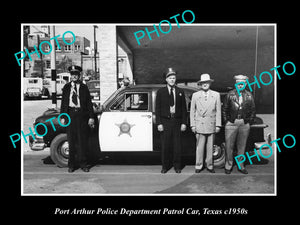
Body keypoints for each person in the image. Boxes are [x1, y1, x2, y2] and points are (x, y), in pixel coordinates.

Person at [60, 65, 95, 173]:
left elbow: (89, 103)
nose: (74, 76)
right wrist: (63, 116)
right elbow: (63, 103)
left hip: (81, 116)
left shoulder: (84, 87)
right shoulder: (66, 87)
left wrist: (91, 117)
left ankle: (83, 164)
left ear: (79, 75)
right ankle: (71, 165)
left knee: (82, 141)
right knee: (71, 141)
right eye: (72, 74)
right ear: (70, 75)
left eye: (76, 74)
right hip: (70, 115)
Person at [155, 68, 188, 174]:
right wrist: (159, 123)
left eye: (174, 78)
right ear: (166, 79)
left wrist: (184, 122)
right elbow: (157, 109)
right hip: (165, 121)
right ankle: (165, 166)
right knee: (165, 145)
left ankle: (177, 166)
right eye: (170, 78)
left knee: (177, 146)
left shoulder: (180, 92)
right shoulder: (161, 92)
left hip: (177, 121)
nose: (172, 80)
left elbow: (184, 108)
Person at [222, 75, 256, 174]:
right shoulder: (230, 94)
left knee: (242, 146)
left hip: (244, 123)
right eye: (238, 84)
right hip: (231, 123)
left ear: (245, 84)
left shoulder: (249, 95)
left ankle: (241, 166)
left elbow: (253, 110)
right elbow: (224, 109)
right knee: (229, 145)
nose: (240, 85)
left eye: (242, 84)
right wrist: (227, 121)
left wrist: (249, 122)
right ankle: (228, 165)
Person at [190, 74, 221, 173]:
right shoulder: (195, 95)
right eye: (203, 83)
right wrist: (193, 125)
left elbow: (218, 111)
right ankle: (198, 165)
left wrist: (218, 125)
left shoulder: (216, 95)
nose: (205, 84)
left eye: (207, 82)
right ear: (200, 84)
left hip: (211, 124)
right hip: (200, 124)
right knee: (199, 147)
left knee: (210, 146)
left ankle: (210, 165)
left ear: (210, 83)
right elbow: (192, 111)